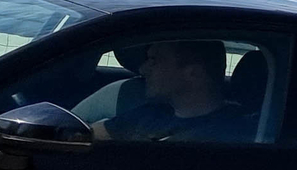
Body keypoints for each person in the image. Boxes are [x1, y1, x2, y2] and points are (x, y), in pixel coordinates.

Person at [99, 39, 254, 142]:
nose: (143, 69)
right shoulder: (151, 113)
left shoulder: (233, 133)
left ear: (193, 73)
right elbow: (83, 136)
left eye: (154, 60)